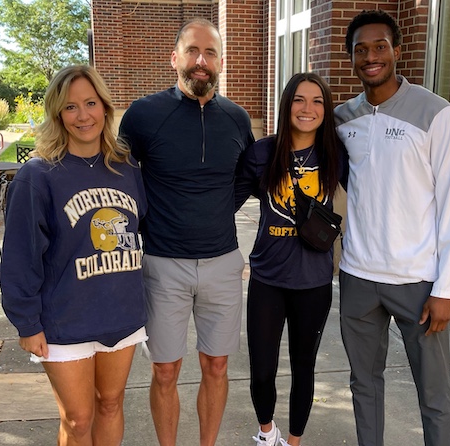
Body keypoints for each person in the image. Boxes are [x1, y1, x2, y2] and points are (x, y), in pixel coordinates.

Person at [333, 10, 450, 446]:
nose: (371, 56)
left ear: (397, 51)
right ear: (351, 57)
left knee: (433, 394)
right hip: (357, 278)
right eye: (361, 49)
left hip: (418, 282)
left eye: (380, 47)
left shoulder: (435, 113)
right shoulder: (340, 119)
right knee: (364, 386)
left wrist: (446, 288)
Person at [118, 18, 255, 446]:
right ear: (174, 58)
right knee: (165, 370)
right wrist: (152, 217)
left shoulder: (236, 118)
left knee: (217, 367)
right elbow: (121, 178)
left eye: (210, 52)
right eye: (193, 51)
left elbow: (244, 178)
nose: (201, 61)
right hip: (162, 265)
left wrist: (213, 211)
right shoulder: (143, 115)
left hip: (223, 263)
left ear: (220, 62)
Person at [0, 65, 147, 445]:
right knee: (79, 419)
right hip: (65, 318)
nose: (83, 116)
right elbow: (19, 256)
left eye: (90, 103)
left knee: (111, 403)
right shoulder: (38, 175)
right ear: (57, 114)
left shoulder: (127, 168)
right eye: (70, 107)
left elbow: (139, 229)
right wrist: (26, 323)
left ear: (105, 107)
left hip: (121, 311)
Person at [235, 72, 346, 446]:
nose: (308, 108)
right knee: (262, 370)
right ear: (287, 105)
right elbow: (225, 202)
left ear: (326, 110)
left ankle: (294, 441)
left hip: (313, 282)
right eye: (300, 99)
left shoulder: (335, 155)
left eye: (317, 101)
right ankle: (268, 435)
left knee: (304, 368)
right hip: (268, 278)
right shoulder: (262, 153)